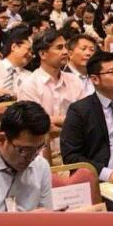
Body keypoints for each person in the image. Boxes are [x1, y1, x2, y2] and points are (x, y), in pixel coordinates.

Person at [60, 51, 113, 186]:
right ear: (95, 79)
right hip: (101, 178)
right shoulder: (79, 111)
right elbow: (71, 156)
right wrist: (108, 174)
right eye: (112, 72)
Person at [17, 30, 85, 161]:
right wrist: (72, 124)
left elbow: (86, 118)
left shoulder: (75, 81)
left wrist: (55, 122)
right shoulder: (30, 85)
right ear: (42, 54)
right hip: (42, 157)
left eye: (65, 47)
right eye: (59, 48)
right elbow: (36, 126)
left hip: (78, 152)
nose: (65, 52)